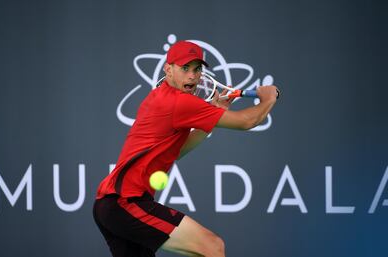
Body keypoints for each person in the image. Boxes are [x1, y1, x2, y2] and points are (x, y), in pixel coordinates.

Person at [93, 40, 279, 257]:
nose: (192, 76)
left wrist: (210, 120)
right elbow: (247, 121)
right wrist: (268, 99)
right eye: (185, 68)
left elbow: (178, 151)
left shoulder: (159, 97)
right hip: (125, 203)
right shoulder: (180, 103)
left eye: (197, 69)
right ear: (168, 69)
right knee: (213, 246)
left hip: (110, 207)